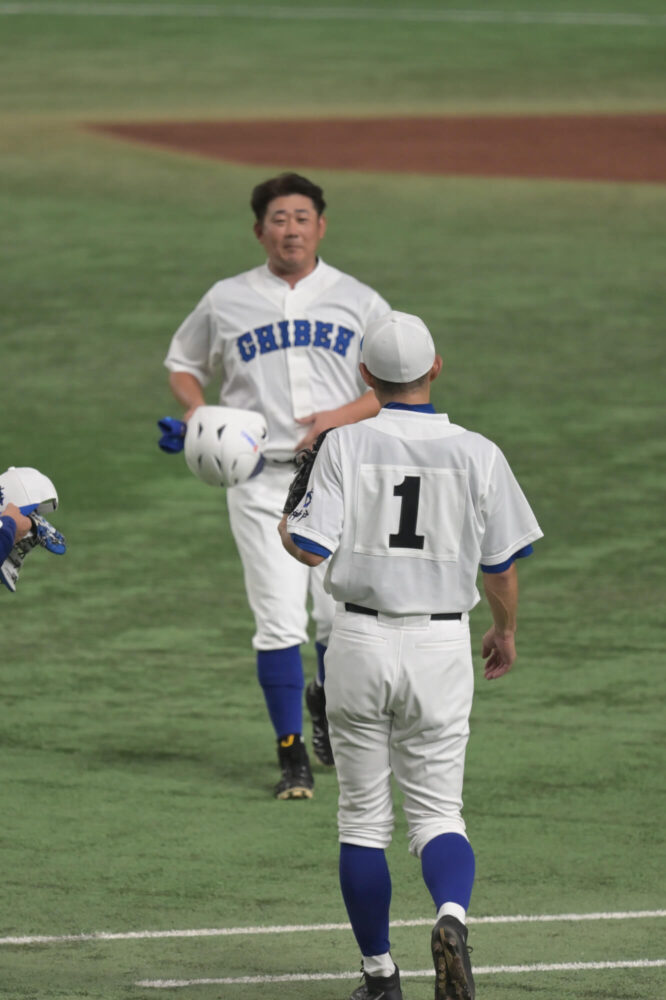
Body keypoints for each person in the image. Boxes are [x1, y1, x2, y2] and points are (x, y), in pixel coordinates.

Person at [278, 310, 543, 1000]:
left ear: (364, 376)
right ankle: (450, 918)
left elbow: (308, 547)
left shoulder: (343, 445)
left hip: (358, 643)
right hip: (440, 642)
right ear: (435, 369)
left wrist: (287, 514)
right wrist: (504, 631)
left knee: (363, 818)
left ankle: (379, 976)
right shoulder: (477, 452)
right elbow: (502, 566)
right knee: (437, 817)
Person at [164, 172, 390, 799]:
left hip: (340, 477)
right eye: (278, 218)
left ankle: (329, 713)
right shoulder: (227, 297)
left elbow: (401, 377)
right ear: (258, 229)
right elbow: (183, 362)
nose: (290, 228)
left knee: (340, 618)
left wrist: (336, 418)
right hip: (260, 482)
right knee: (278, 622)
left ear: (321, 225)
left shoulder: (359, 299)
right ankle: (291, 754)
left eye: (301, 216)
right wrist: (195, 415)